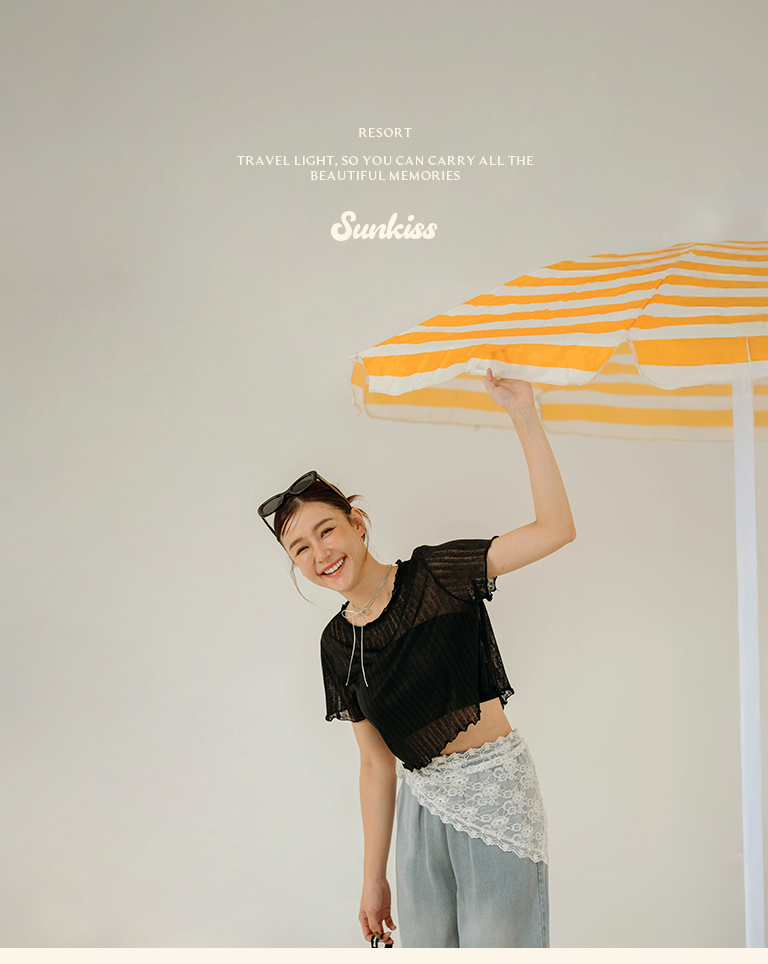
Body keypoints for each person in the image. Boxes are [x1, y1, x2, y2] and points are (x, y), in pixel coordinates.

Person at [258, 371, 575, 948]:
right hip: (420, 809)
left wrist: (525, 415)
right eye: (300, 548)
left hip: (493, 794)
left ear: (356, 524)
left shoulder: (436, 575)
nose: (320, 553)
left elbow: (554, 530)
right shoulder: (338, 644)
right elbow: (375, 764)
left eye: (326, 531)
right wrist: (372, 877)